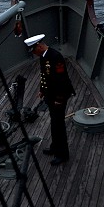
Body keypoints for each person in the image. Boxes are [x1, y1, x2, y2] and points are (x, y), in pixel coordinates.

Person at [25, 34, 75, 165]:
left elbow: (61, 80)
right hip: (51, 95)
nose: (34, 54)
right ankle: (55, 147)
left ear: (39, 46)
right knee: (54, 123)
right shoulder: (43, 56)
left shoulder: (55, 57)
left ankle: (63, 155)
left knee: (59, 126)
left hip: (59, 96)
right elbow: (44, 75)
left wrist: (59, 99)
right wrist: (42, 90)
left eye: (34, 51)